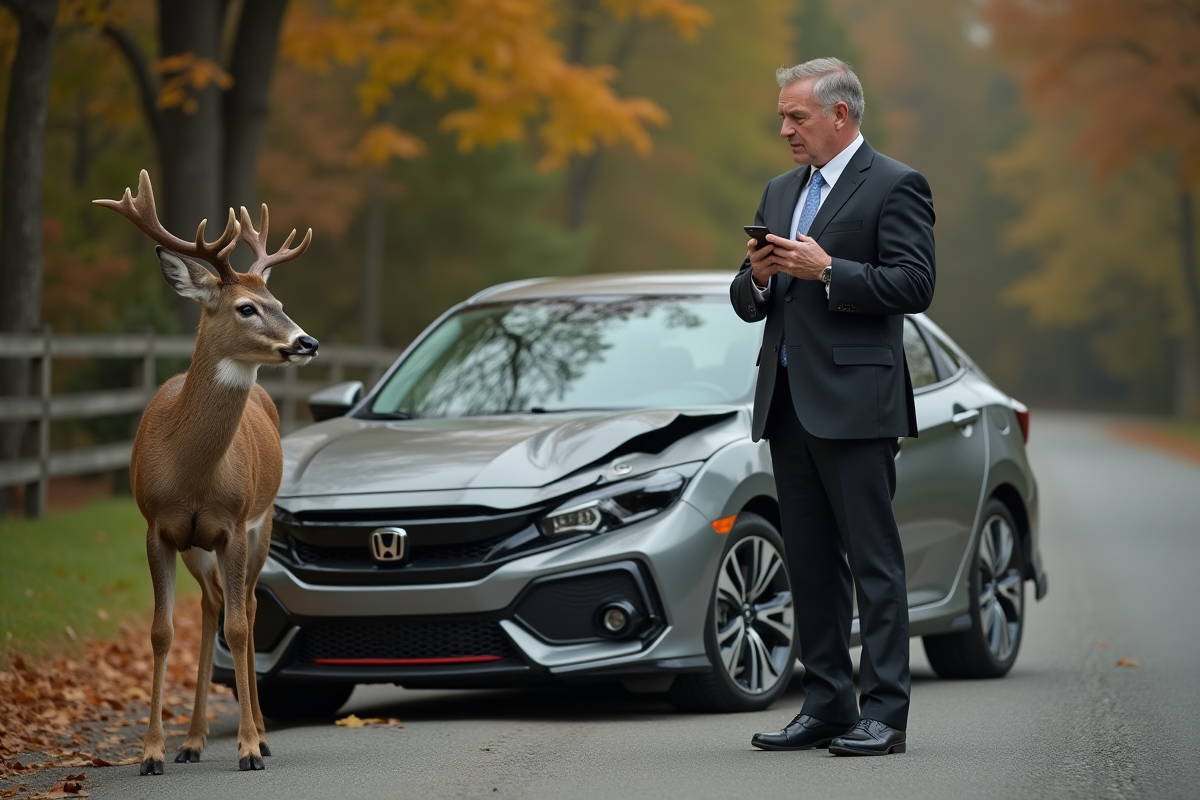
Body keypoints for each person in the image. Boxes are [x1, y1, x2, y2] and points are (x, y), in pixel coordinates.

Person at [730, 58, 935, 756]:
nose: (784, 128)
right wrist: (754, 280)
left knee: (874, 565)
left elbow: (914, 283)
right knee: (811, 565)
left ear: (840, 114)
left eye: (797, 116)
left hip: (857, 404)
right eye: (783, 116)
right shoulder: (780, 188)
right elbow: (749, 298)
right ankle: (826, 705)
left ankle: (886, 716)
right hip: (787, 404)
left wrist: (829, 272)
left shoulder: (896, 184)